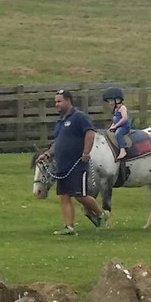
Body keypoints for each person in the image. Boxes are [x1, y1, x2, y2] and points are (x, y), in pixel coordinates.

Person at [41, 89, 106, 235]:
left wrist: (86, 152)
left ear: (68, 101)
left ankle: (101, 214)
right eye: (55, 102)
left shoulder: (79, 117)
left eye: (59, 101)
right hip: (62, 165)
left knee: (80, 195)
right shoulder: (60, 122)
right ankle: (69, 227)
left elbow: (90, 133)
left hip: (77, 164)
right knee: (64, 196)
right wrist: (47, 154)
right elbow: (57, 143)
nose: (56, 104)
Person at [104, 86, 131, 161]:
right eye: (109, 101)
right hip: (118, 126)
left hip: (124, 127)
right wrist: (111, 128)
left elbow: (124, 118)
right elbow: (115, 121)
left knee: (118, 133)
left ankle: (123, 150)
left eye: (111, 101)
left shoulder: (122, 108)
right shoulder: (116, 110)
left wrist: (116, 126)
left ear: (118, 99)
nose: (110, 103)